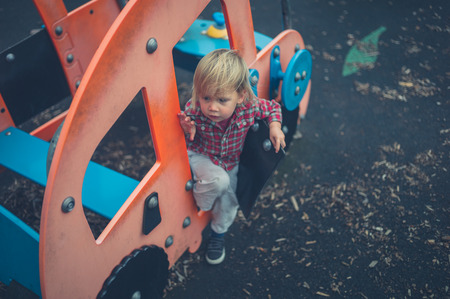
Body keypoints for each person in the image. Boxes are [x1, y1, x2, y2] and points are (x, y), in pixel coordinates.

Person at [178, 49, 286, 265]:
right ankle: (202, 204)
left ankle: (218, 234)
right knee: (219, 181)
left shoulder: (249, 107)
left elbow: (272, 107)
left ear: (240, 96)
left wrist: (275, 126)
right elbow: (184, 125)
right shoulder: (196, 109)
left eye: (221, 100)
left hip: (230, 161)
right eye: (206, 97)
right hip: (202, 155)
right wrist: (186, 127)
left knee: (231, 199)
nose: (212, 107)